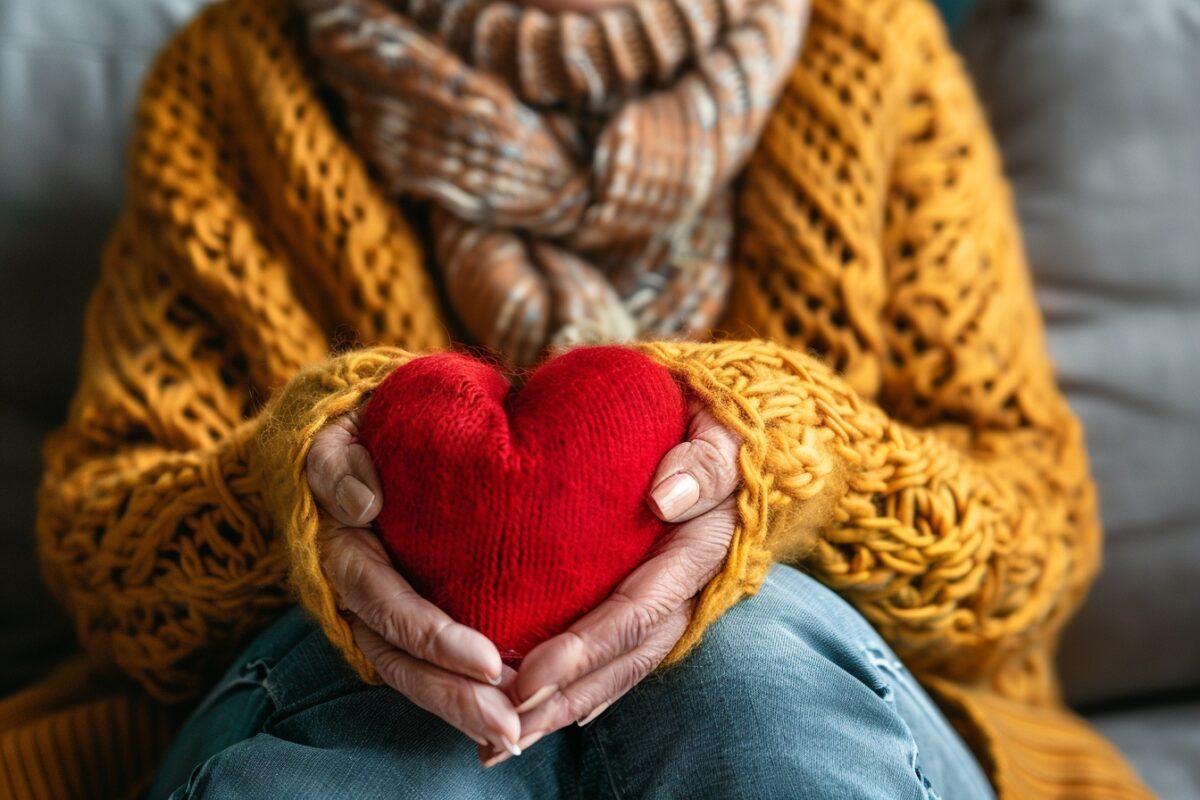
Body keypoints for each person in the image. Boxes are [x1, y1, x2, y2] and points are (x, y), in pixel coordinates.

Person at [0, 0, 1153, 797]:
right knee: (395, 732)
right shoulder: (238, 75)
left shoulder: (870, 54)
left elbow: (1033, 536)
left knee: (755, 673)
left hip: (803, 698)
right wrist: (301, 479)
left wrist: (801, 463)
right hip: (349, 686)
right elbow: (109, 553)